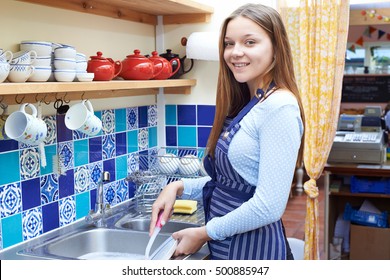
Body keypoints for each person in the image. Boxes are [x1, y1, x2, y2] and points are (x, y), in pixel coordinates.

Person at [149, 3, 305, 260]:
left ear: (276, 47)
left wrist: (204, 233)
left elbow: (269, 206)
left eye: (250, 42)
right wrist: (178, 186)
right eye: (229, 43)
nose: (235, 52)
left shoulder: (279, 107)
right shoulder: (253, 101)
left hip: (255, 252)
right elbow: (232, 186)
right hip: (229, 249)